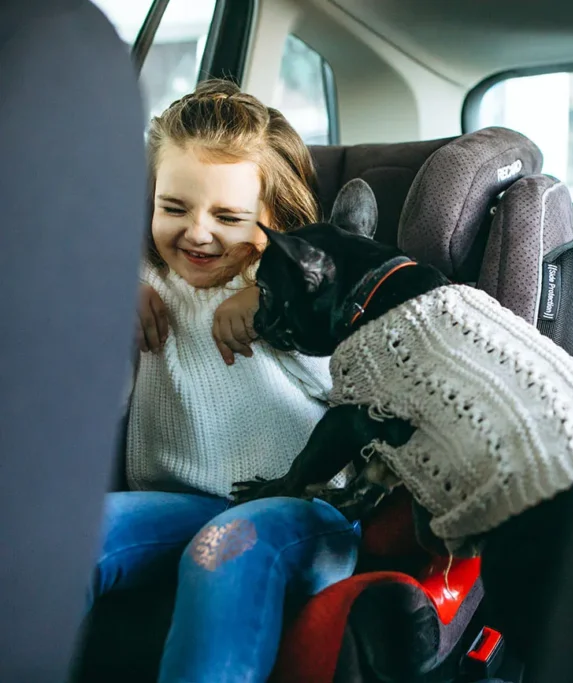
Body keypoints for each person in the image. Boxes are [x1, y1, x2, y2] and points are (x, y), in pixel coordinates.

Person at [85, 79, 358, 683]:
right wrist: (108, 310)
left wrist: (275, 306)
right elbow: (98, 404)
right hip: (180, 501)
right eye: (173, 207)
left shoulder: (306, 287)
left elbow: (357, 389)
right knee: (76, 535)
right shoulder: (140, 285)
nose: (198, 233)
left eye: (229, 217)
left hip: (304, 507)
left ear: (275, 220)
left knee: (229, 547)